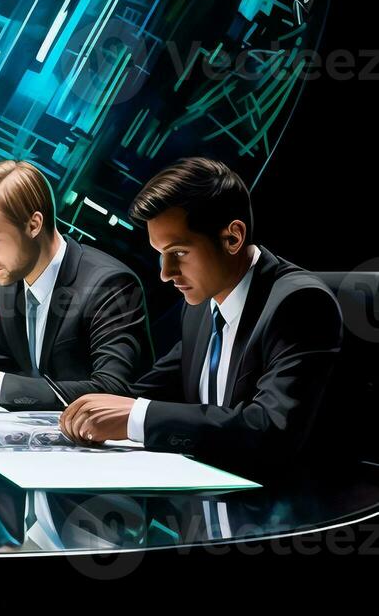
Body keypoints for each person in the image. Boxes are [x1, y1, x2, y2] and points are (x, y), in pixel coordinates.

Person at [59, 157, 343, 474]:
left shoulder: (300, 304)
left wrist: (137, 418)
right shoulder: (199, 306)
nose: (166, 274)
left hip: (289, 510)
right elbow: (145, 393)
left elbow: (272, 431)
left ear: (233, 238)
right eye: (160, 255)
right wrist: (72, 411)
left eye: (178, 253)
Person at [0, 160, 152, 409]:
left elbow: (114, 391)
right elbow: (0, 363)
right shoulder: (10, 284)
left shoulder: (109, 284)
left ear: (33, 225)